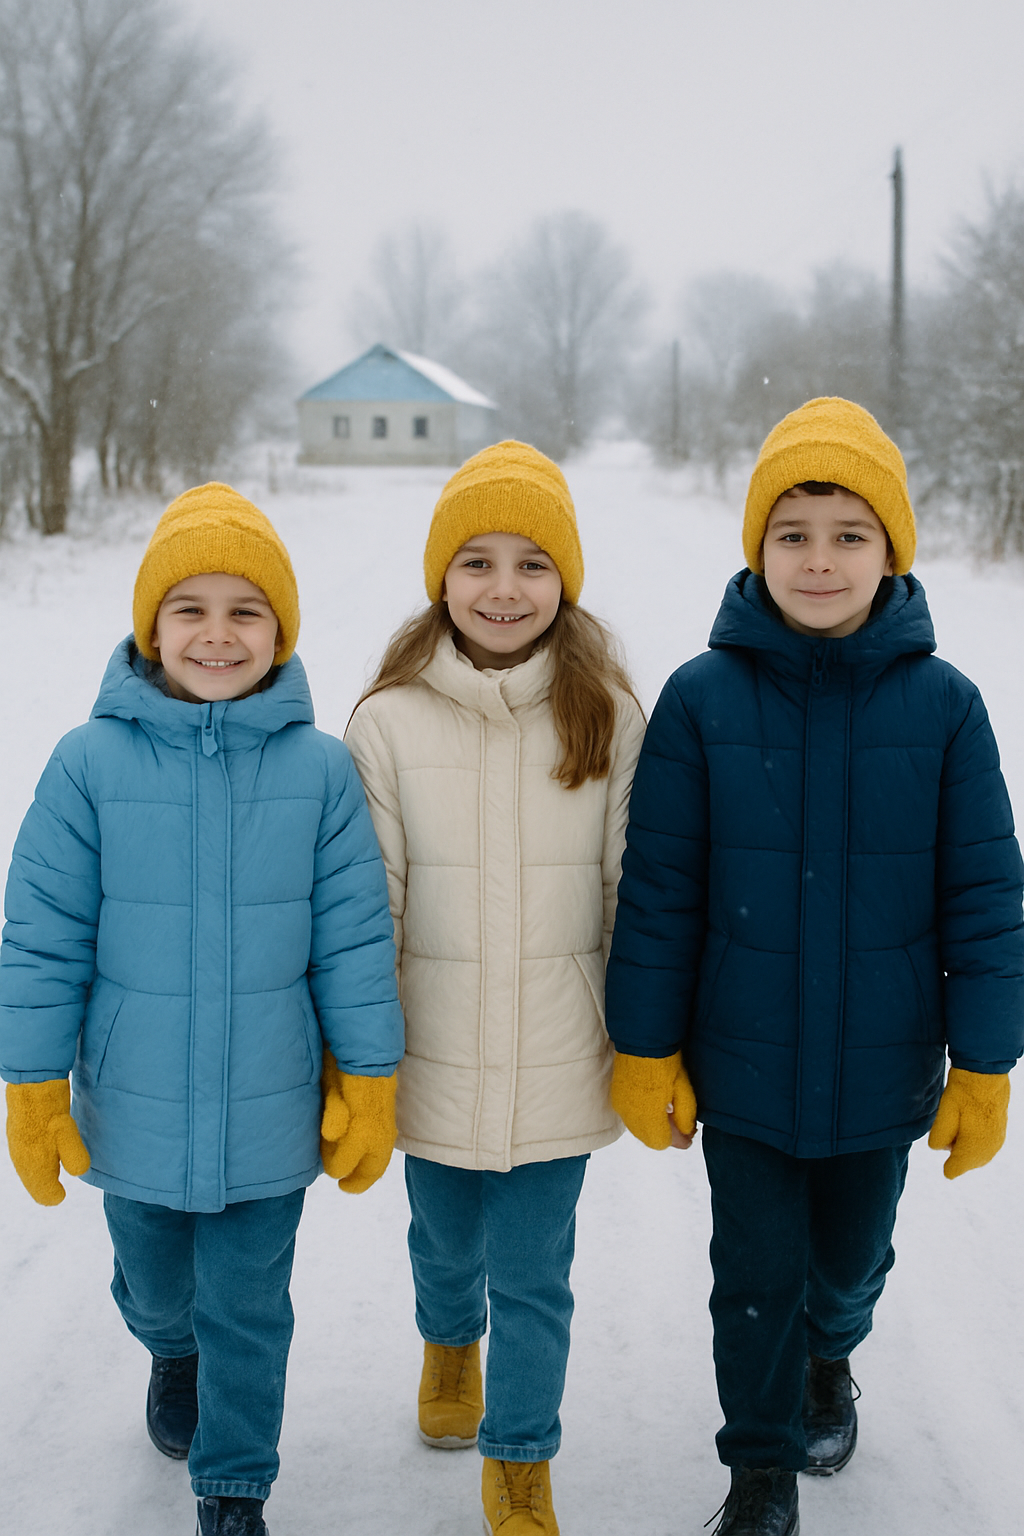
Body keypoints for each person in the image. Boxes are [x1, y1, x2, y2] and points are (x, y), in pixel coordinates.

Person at [605, 397, 1024, 1536]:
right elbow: (660, 889)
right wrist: (644, 1047)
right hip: (738, 1065)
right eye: (792, 533)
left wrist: (984, 1063)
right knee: (752, 1278)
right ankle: (758, 1474)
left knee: (846, 1262)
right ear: (756, 549)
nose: (820, 559)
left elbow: (986, 899)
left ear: (891, 550)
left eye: (849, 533)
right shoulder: (700, 700)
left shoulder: (944, 707)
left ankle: (830, 1356)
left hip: (884, 1062)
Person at [0, 484, 404, 1536]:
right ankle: (168, 1351)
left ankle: (233, 1486)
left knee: (249, 1311)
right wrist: (33, 1085)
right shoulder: (87, 766)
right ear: (150, 627)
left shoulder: (319, 773)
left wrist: (367, 1080)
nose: (218, 635)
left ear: (279, 632)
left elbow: (355, 940)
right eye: (190, 609)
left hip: (269, 1112)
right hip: (130, 1110)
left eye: (246, 611)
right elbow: (44, 938)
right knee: (158, 1289)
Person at [344, 440, 646, 1536]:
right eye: (477, 561)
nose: (504, 588)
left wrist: (646, 1040)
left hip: (562, 1053)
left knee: (535, 1273)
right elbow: (364, 904)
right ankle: (444, 1342)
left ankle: (520, 1457)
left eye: (531, 563)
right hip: (429, 1048)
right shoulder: (386, 719)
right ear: (441, 579)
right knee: (443, 1244)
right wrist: (358, 1058)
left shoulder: (607, 712)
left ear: (564, 580)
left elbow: (631, 892)